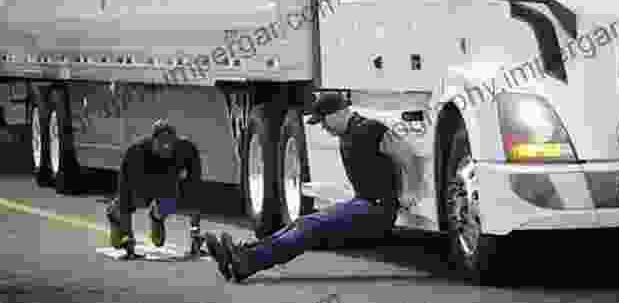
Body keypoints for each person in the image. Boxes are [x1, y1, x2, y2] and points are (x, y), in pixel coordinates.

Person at [204, 92, 428, 283]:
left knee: (308, 228)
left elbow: (405, 155)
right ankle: (241, 254)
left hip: (376, 210)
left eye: (323, 121)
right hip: (363, 204)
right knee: (302, 223)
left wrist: (411, 192)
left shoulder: (369, 129)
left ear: (338, 113)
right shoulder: (349, 134)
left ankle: (244, 263)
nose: (323, 127)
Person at [106, 119, 204, 258]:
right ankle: (113, 213)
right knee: (118, 241)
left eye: (170, 143)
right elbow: (125, 193)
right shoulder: (136, 153)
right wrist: (128, 239)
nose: (166, 148)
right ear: (153, 141)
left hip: (165, 185)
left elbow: (196, 192)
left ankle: (156, 216)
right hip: (140, 187)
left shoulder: (186, 150)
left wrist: (195, 234)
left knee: (172, 201)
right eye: (162, 143)